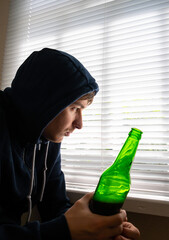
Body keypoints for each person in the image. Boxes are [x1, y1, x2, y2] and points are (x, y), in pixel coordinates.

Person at [0, 48, 140, 240]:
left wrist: (99, 228)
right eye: (74, 108)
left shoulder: (48, 137)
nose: (80, 124)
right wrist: (63, 231)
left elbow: (56, 207)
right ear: (43, 101)